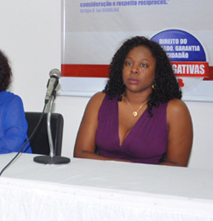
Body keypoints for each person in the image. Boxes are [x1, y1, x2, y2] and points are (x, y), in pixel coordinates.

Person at [74, 36, 193, 166]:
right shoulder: (99, 101)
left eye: (143, 65)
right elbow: (81, 153)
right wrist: (122, 167)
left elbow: (176, 165)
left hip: (150, 179)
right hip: (99, 177)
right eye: (128, 63)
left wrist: (128, 170)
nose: (134, 70)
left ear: (157, 72)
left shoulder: (174, 110)